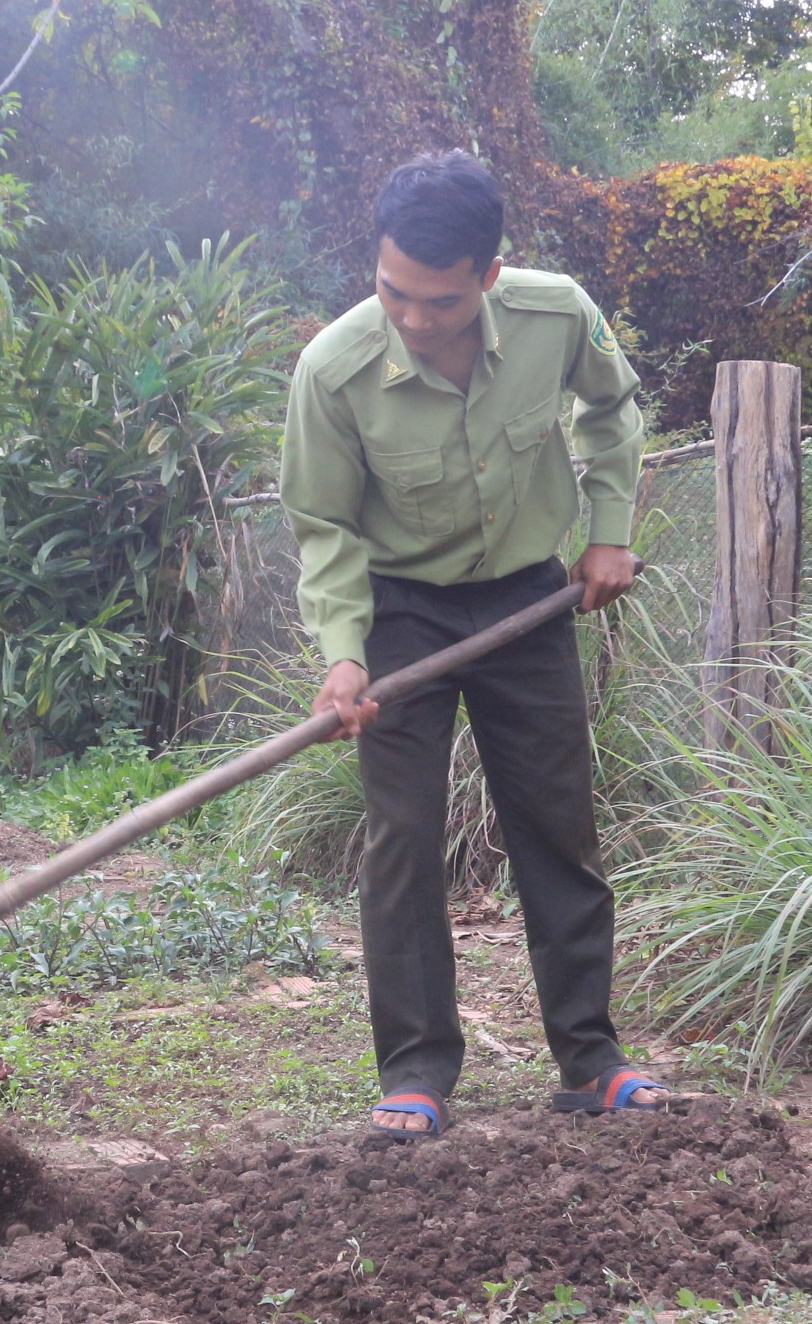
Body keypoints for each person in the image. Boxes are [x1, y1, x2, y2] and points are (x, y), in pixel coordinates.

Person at [280, 149, 666, 1139]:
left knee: (555, 825)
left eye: (440, 301)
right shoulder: (333, 369)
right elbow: (324, 527)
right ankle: (415, 1070)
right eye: (393, 290)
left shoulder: (557, 314)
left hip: (526, 604)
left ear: (489, 276)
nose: (413, 317)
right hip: (401, 610)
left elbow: (613, 408)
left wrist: (609, 531)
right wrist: (343, 654)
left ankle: (590, 1058)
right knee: (402, 838)